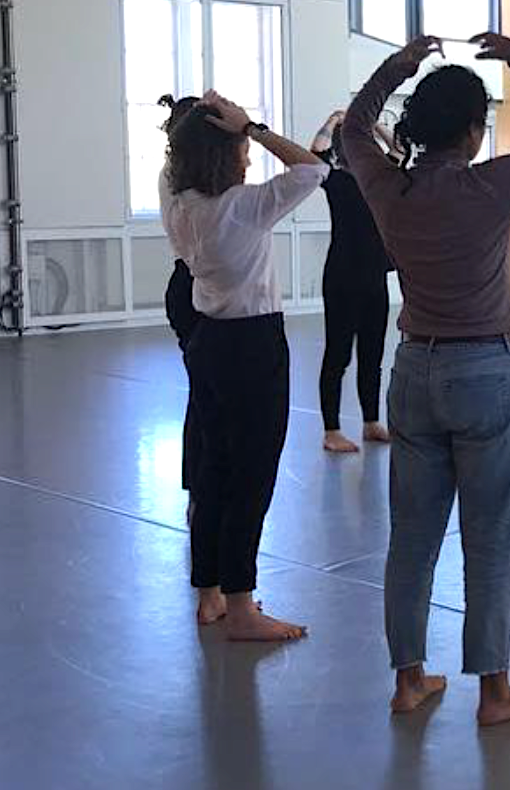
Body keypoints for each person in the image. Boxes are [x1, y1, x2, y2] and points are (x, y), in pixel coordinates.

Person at [344, 32, 510, 726]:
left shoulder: (387, 185)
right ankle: (495, 694)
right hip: (488, 371)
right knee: (492, 541)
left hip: (413, 370)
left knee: (412, 539)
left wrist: (396, 67)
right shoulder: (491, 185)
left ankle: (409, 682)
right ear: (472, 132)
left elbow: (354, 129)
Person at [160, 91, 328, 642]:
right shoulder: (242, 207)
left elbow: (177, 161)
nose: (249, 156)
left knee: (214, 471)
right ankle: (241, 607)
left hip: (208, 340)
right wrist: (251, 125)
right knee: (251, 477)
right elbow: (314, 168)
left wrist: (202, 125)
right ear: (225, 154)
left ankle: (209, 594)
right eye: (241, 149)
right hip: (252, 344)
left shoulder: (180, 204)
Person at [310, 109, 397, 454]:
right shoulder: (335, 180)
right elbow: (315, 153)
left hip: (374, 277)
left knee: (372, 355)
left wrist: (373, 124)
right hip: (342, 279)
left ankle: (371, 421)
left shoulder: (379, 180)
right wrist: (332, 121)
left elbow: (400, 149)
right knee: (338, 354)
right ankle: (331, 430)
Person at [157, 94, 204, 502]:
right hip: (192, 286)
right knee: (204, 393)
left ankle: (201, 486)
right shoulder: (180, 175)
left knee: (205, 392)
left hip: (192, 283)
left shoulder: (183, 172)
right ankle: (198, 487)